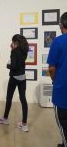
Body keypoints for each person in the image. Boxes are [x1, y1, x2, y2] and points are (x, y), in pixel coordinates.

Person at [0, 34, 29, 132]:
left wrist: (8, 66)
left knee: (9, 98)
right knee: (23, 99)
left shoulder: (14, 51)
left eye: (13, 41)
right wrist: (13, 49)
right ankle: (24, 124)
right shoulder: (24, 50)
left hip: (14, 78)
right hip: (22, 77)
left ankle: (5, 119)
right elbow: (20, 63)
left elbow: (13, 66)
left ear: (15, 42)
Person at [47, 12, 67, 147]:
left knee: (63, 122)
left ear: (62, 24)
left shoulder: (58, 41)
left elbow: (52, 69)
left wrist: (54, 80)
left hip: (62, 90)